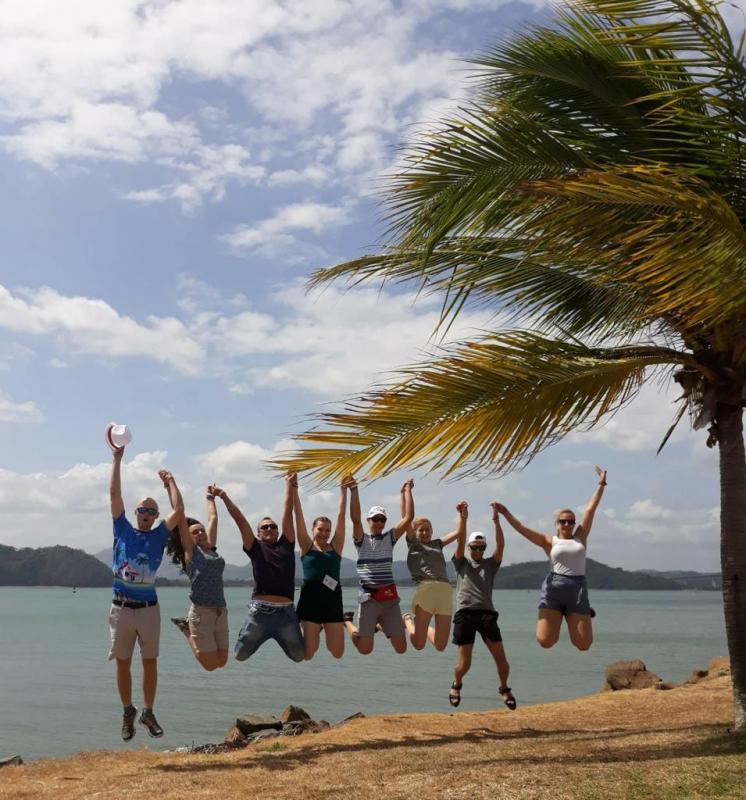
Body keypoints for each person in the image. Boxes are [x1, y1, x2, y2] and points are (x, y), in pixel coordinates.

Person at [108, 447, 183, 741]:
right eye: (143, 510)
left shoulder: (160, 535)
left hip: (149, 608)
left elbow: (179, 511)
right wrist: (117, 460)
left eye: (152, 511)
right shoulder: (122, 530)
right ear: (135, 512)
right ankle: (128, 711)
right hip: (121, 608)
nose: (147, 514)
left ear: (156, 517)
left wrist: (170, 483)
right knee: (123, 662)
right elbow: (114, 495)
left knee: (150, 661)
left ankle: (148, 713)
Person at [494, 465, 607, 652]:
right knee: (545, 641)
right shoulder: (549, 541)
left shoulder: (580, 536)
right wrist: (505, 513)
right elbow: (522, 529)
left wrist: (601, 483)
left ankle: (580, 613)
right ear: (557, 524)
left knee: (583, 645)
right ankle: (560, 615)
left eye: (570, 521)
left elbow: (590, 509)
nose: (567, 524)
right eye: (563, 521)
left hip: (577, 590)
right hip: (553, 590)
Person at [226, 475, 305, 663]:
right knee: (239, 655)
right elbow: (240, 520)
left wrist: (289, 485)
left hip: (286, 614)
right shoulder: (255, 547)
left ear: (278, 531)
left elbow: (287, 512)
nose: (269, 528)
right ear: (258, 533)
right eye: (265, 527)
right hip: (260, 613)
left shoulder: (286, 544)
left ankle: (298, 629)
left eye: (273, 526)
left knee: (299, 656)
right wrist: (223, 496)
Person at [449, 503, 516, 711]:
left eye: (481, 547)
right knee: (464, 665)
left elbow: (501, 546)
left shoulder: (490, 564)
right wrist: (463, 517)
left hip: (487, 614)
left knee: (502, 662)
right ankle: (456, 684)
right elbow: (460, 541)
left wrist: (496, 520)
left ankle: (504, 688)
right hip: (464, 615)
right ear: (469, 548)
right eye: (474, 547)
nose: (477, 550)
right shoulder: (461, 563)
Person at [343, 479, 414, 655]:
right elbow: (355, 519)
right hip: (369, 599)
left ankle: (381, 624)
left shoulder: (390, 538)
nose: (379, 522)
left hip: (389, 599)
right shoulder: (362, 540)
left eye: (382, 519)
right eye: (375, 519)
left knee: (401, 649)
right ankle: (347, 621)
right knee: (365, 650)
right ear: (369, 520)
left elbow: (408, 518)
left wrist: (407, 491)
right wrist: (354, 489)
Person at [166, 483, 229, 671]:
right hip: (202, 614)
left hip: (221, 611)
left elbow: (213, 518)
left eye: (202, 530)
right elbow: (179, 515)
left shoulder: (211, 549)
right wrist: (170, 484)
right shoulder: (191, 554)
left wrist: (210, 497)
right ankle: (186, 629)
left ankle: (188, 628)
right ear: (188, 538)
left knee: (222, 662)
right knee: (210, 666)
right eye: (195, 532)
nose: (201, 533)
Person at [291, 473, 353, 659]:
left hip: (332, 601)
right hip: (310, 602)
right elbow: (298, 514)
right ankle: (314, 629)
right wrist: (294, 489)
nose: (324, 533)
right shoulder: (306, 546)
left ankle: (342, 622)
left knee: (337, 653)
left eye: (327, 530)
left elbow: (341, 516)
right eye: (320, 529)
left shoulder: (336, 547)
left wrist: (343, 489)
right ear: (313, 529)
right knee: (308, 655)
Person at [402, 497, 463, 651]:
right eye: (421, 530)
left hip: (445, 593)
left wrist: (460, 513)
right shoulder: (414, 545)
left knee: (441, 645)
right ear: (415, 532)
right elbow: (406, 518)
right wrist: (406, 492)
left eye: (427, 529)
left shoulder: (437, 544)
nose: (424, 533)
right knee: (419, 645)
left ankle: (424, 628)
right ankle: (408, 621)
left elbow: (459, 532)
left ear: (432, 531)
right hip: (426, 590)